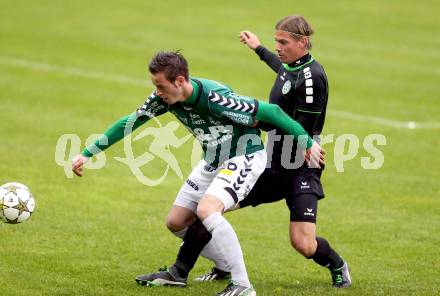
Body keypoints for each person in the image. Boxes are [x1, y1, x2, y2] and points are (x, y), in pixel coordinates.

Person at [71, 50, 324, 296]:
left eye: (161, 86)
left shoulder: (216, 98)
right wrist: (88, 152)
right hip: (213, 160)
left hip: (244, 155)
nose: (157, 92)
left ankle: (243, 285)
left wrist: (308, 142)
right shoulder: (163, 99)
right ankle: (224, 266)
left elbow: (273, 113)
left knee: (207, 210)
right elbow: (132, 120)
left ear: (179, 81)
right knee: (176, 221)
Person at [164, 15, 351, 289]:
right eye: (276, 41)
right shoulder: (292, 66)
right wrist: (258, 48)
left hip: (300, 165)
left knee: (303, 243)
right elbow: (282, 70)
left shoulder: (313, 79)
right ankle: (182, 271)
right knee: (212, 207)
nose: (278, 47)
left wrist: (256, 120)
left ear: (303, 42)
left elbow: (302, 129)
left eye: (283, 42)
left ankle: (337, 265)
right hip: (271, 165)